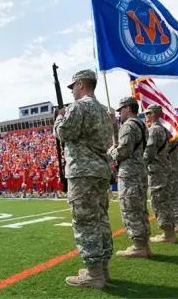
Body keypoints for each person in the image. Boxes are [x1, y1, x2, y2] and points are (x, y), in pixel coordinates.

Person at [54, 69, 113, 289]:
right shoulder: (104, 110)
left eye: (73, 88)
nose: (71, 93)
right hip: (101, 171)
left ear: (80, 84)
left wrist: (59, 119)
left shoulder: (79, 107)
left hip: (83, 171)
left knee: (85, 222)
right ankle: (103, 268)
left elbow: (64, 134)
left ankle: (94, 274)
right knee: (100, 219)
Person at [108, 97, 151, 258]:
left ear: (127, 108)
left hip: (129, 173)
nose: (119, 114)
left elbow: (122, 151)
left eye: (120, 111)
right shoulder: (140, 125)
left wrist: (111, 151)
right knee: (140, 208)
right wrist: (114, 125)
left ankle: (138, 246)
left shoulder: (128, 126)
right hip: (139, 171)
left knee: (130, 208)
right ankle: (144, 245)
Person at [143, 104, 178, 242]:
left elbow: (149, 152)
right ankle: (170, 232)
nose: (145, 116)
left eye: (147, 113)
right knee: (165, 201)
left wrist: (140, 163)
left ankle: (168, 234)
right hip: (164, 169)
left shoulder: (153, 131)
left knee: (159, 202)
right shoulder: (163, 130)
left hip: (156, 171)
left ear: (153, 114)